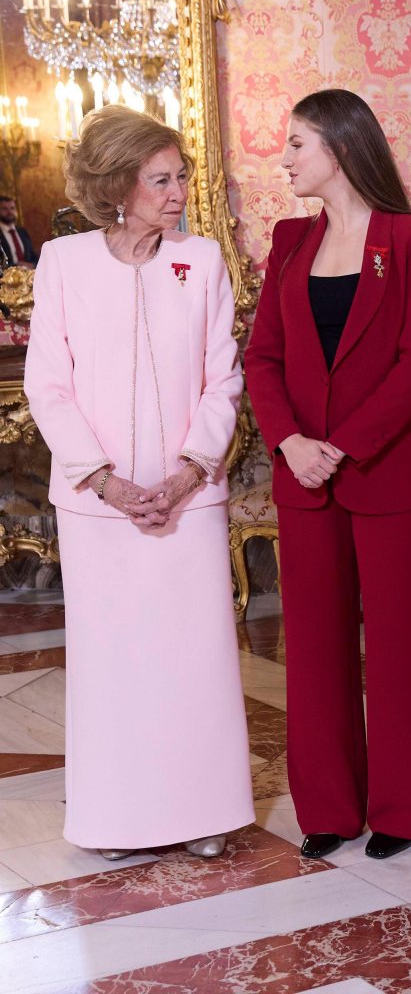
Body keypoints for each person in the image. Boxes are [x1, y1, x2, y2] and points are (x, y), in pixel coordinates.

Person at [23, 105, 252, 860]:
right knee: (115, 666)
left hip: (190, 503)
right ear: (120, 185)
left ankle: (204, 815)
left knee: (194, 660)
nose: (179, 190)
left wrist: (190, 471)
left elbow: (224, 378)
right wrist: (106, 483)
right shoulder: (63, 263)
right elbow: (48, 385)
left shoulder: (204, 259)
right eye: (162, 179)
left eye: (181, 175)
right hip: (100, 509)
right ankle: (117, 822)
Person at [244, 89, 411, 862]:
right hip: (305, 478)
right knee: (314, 651)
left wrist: (343, 444)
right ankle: (328, 808)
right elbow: (263, 355)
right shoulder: (290, 240)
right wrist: (293, 442)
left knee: (401, 652)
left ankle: (403, 812)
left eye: (297, 143)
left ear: (339, 145)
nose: (286, 158)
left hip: (389, 473)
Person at [0, 195, 38, 267]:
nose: (10, 212)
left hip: (29, 275)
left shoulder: (22, 231)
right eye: (5, 209)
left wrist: (33, 265)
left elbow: (33, 256)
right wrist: (16, 265)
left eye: (12, 208)